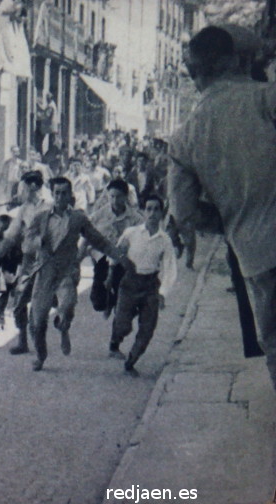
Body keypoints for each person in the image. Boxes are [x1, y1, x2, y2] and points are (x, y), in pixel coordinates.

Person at [168, 26, 276, 391]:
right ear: (237, 61)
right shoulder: (267, 99)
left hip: (256, 257)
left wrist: (232, 221)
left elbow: (184, 214)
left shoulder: (183, 139)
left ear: (195, 73)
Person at [24, 178, 132, 371]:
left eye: (64, 193)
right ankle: (41, 356)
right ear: (52, 194)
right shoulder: (41, 218)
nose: (60, 197)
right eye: (56, 193)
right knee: (38, 320)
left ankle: (63, 327)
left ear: (70, 195)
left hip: (67, 271)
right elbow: (26, 243)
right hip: (45, 271)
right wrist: (37, 242)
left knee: (67, 306)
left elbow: (99, 241)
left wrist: (119, 256)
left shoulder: (77, 218)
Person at [108, 195, 177, 377]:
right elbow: (116, 253)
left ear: (162, 213)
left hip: (150, 286)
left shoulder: (165, 240)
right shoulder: (132, 233)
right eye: (149, 209)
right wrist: (114, 270)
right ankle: (115, 342)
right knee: (123, 323)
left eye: (156, 209)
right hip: (130, 283)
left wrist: (163, 292)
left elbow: (170, 268)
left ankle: (131, 361)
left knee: (148, 328)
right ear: (143, 211)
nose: (152, 213)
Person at [0, 170, 51, 354]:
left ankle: (41, 341)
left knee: (42, 305)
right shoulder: (25, 209)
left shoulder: (51, 205)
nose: (19, 192)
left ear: (33, 187)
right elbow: (10, 237)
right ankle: (23, 341)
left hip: (48, 261)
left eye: (22, 188)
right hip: (28, 260)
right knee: (19, 300)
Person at [87, 179, 144, 315]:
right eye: (111, 196)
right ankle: (111, 300)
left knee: (127, 304)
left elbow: (142, 240)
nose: (114, 200)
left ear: (125, 196)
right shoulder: (99, 215)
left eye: (118, 196)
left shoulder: (135, 218)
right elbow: (87, 235)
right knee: (98, 302)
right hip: (103, 258)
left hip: (125, 261)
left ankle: (122, 302)